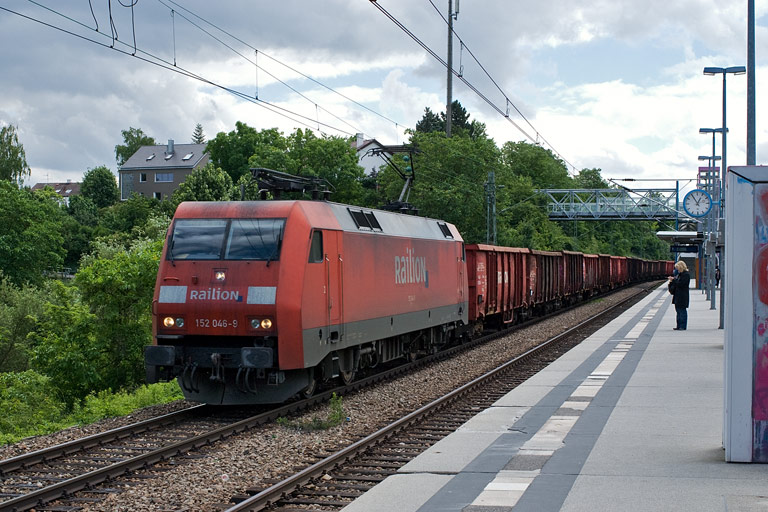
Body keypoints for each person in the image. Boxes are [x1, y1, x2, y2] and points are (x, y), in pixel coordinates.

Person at [667, 260, 690, 330]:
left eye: (677, 268)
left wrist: (674, 280)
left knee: (682, 311)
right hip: (677, 296)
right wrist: (671, 282)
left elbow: (681, 284)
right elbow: (675, 284)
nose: (677, 270)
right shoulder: (679, 275)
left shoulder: (686, 275)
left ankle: (682, 326)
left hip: (682, 296)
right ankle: (679, 325)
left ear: (681, 267)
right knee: (678, 311)